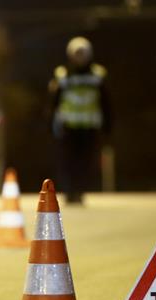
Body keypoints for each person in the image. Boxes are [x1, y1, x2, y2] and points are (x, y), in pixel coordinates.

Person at [48, 36, 112, 204]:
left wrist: (108, 124)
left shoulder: (98, 74)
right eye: (77, 53)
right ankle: (69, 192)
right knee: (68, 161)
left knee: (86, 161)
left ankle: (80, 191)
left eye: (83, 53)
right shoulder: (62, 74)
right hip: (68, 126)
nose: (80, 57)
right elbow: (54, 102)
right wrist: (50, 122)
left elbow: (106, 102)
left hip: (90, 126)